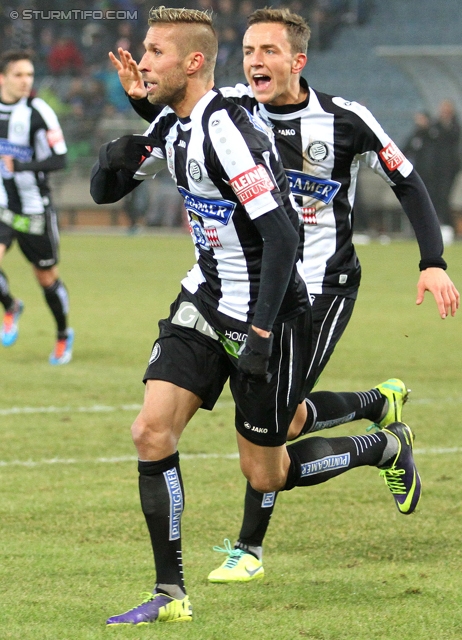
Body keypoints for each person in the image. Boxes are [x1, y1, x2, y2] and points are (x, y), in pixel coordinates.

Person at [90, 6, 422, 626]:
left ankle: (380, 444)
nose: (141, 62)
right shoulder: (176, 124)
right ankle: (170, 593)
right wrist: (114, 156)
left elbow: (281, 236)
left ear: (192, 62)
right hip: (203, 300)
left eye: (154, 52)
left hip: (265, 313)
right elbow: (102, 193)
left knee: (266, 472)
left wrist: (264, 332)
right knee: (150, 430)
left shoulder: (225, 130)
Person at [0, 50, 74, 364]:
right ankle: (11, 306)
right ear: (3, 78)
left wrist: (23, 165)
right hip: (3, 205)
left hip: (35, 211)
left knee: (46, 278)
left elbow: (61, 158)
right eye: (19, 74)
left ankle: (62, 335)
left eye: (29, 74)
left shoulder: (38, 111)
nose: (25, 81)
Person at [427, 100, 461, 238]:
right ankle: (435, 225)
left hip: (449, 168)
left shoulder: (454, 126)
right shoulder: (435, 125)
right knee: (433, 196)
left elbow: (452, 138)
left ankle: (446, 226)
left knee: (444, 198)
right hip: (435, 168)